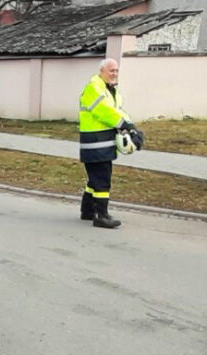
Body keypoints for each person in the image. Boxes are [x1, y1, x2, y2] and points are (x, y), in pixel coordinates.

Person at [79, 58, 135, 229]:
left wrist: (132, 128)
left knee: (95, 178)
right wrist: (123, 124)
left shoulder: (111, 90)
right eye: (111, 70)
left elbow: (118, 112)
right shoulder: (94, 87)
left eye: (116, 70)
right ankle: (101, 216)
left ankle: (87, 211)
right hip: (95, 142)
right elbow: (105, 112)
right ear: (102, 71)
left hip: (103, 142)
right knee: (102, 180)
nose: (115, 74)